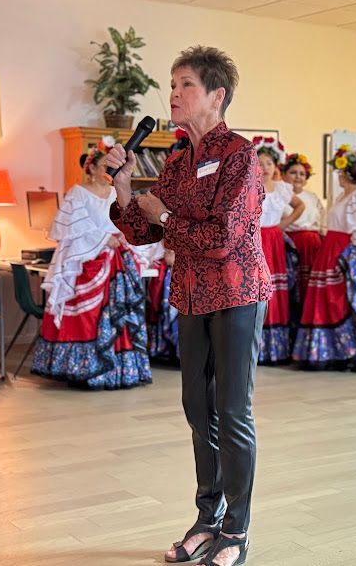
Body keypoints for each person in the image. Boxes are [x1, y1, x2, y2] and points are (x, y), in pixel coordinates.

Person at [107, 46, 270, 566]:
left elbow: (222, 239)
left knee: (232, 410)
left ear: (216, 96)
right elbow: (142, 230)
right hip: (193, 293)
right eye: (172, 85)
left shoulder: (241, 156)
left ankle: (237, 530)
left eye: (186, 86)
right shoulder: (178, 160)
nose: (173, 95)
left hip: (237, 293)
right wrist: (125, 188)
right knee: (199, 411)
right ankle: (207, 519)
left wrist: (163, 216)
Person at [31, 136, 151, 390]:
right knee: (87, 317)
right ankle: (85, 370)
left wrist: (122, 235)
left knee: (117, 314)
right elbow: (74, 228)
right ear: (92, 167)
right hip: (87, 262)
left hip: (116, 262)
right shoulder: (78, 193)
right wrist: (104, 238)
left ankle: (118, 373)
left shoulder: (116, 192)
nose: (111, 168)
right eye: (105, 164)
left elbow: (127, 218)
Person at [293, 145, 356, 371]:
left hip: (344, 253)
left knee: (345, 300)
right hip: (330, 251)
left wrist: (355, 249)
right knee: (327, 299)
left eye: (339, 172)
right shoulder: (343, 196)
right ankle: (332, 351)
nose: (338, 176)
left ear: (347, 174)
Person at [255, 136, 304, 364]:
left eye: (269, 163)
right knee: (257, 289)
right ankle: (257, 345)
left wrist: (282, 225)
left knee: (276, 289)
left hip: (274, 241)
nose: (265, 167)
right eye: (260, 163)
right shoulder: (248, 187)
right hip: (255, 241)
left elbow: (300, 205)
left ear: (276, 166)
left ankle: (276, 348)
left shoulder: (282, 189)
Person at [281, 152, 325, 315]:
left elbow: (322, 221)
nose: (298, 177)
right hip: (290, 245)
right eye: (293, 172)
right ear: (284, 174)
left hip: (313, 245)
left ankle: (309, 318)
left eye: (302, 174)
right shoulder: (280, 195)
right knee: (293, 284)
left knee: (310, 284)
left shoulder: (312, 197)